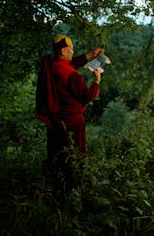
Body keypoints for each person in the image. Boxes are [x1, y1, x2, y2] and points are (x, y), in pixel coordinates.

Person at [35, 34, 103, 202]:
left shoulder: (52, 65)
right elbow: (86, 96)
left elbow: (71, 63)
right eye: (71, 49)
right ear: (64, 50)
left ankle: (52, 190)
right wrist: (96, 82)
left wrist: (90, 55)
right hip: (72, 122)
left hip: (54, 121)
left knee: (56, 156)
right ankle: (71, 193)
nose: (73, 52)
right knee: (74, 155)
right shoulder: (72, 76)